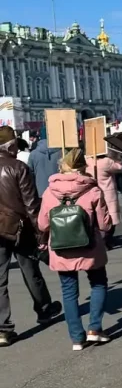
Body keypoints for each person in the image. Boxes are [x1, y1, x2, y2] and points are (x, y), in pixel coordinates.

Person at [38, 149, 113, 351]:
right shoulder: (93, 190)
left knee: (69, 291)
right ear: (82, 168)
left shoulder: (49, 192)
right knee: (98, 283)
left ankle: (77, 338)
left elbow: (43, 224)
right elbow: (105, 224)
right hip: (89, 245)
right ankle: (95, 328)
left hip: (61, 247)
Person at [0, 126, 61, 345]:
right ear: (11, 146)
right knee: (30, 269)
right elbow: (31, 205)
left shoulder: (18, 165)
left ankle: (3, 329)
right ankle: (44, 309)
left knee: (0, 280)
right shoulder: (18, 167)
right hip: (20, 228)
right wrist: (41, 231)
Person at [86, 150, 122, 248]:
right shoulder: (106, 162)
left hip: (93, 191)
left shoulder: (87, 161)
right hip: (107, 192)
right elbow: (119, 167)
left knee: (97, 216)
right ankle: (107, 240)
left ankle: (100, 239)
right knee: (110, 217)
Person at [27, 127, 62, 196]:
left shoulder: (33, 154)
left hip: (40, 192)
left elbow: (30, 174)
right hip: (59, 191)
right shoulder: (62, 152)